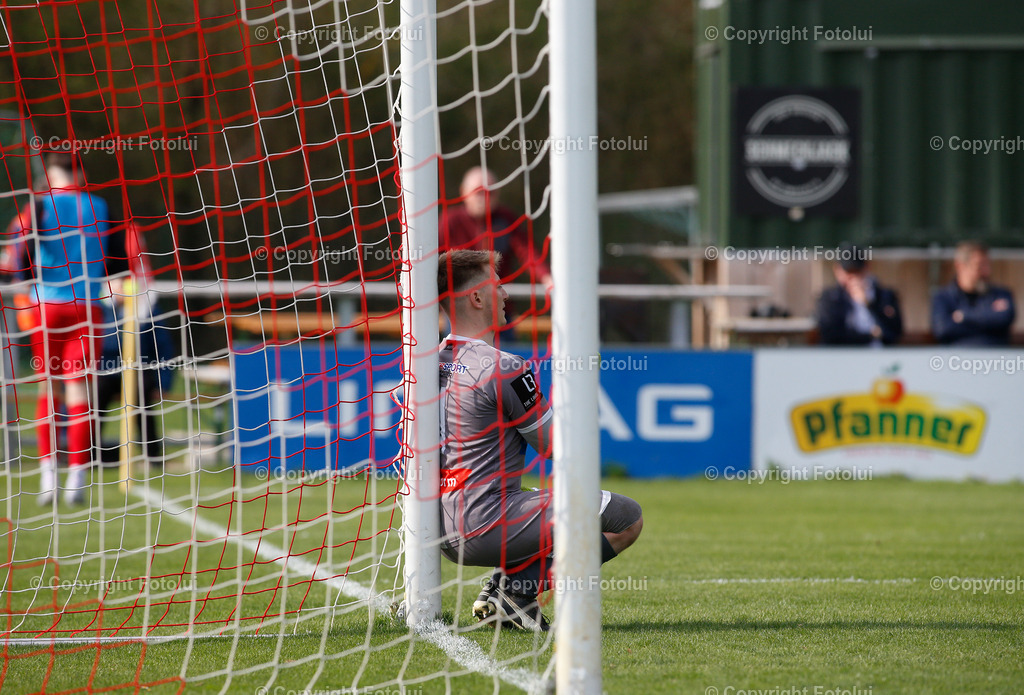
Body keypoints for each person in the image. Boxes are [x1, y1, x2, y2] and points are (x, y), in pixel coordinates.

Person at [436, 249, 643, 631]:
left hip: (435, 525)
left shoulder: (425, 362)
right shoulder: (504, 367)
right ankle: (516, 594)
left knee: (543, 497)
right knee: (624, 516)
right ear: (477, 298)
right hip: (483, 523)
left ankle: (504, 590)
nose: (505, 295)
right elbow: (555, 448)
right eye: (497, 287)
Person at [0, 152, 116, 506]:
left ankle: (49, 474)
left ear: (50, 172)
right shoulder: (99, 207)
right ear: (80, 170)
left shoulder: (37, 208)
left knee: (48, 391)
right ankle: (77, 477)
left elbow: (12, 257)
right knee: (79, 392)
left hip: (44, 308)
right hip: (86, 306)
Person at [815, 243, 902, 346]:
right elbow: (831, 335)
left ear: (866, 268)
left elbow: (893, 333)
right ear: (837, 271)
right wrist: (871, 335)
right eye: (848, 272)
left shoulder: (885, 296)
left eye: (856, 271)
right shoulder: (830, 298)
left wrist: (869, 304)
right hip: (842, 357)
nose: (853, 277)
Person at [931, 241, 1016, 346]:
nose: (987, 272)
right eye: (980, 266)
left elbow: (1003, 320)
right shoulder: (943, 297)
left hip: (995, 359)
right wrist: (988, 319)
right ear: (960, 266)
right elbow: (943, 330)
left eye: (988, 265)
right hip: (956, 359)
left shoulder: (1001, 294)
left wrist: (964, 316)